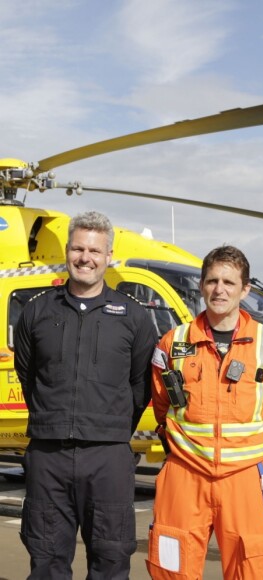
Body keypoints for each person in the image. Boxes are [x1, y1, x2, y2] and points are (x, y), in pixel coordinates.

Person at [14, 211, 158, 580]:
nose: (85, 258)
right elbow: (28, 376)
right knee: (46, 559)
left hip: (107, 456)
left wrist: (108, 426)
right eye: (78, 248)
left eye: (94, 250)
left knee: (111, 559)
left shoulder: (134, 317)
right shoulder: (37, 312)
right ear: (67, 251)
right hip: (49, 454)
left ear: (108, 255)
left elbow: (140, 385)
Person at [146, 245, 263, 579]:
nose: (219, 289)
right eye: (212, 281)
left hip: (245, 476)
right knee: (172, 566)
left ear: (245, 289)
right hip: (185, 473)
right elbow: (160, 403)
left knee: (253, 568)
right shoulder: (172, 342)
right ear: (201, 286)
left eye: (229, 282)